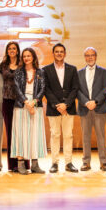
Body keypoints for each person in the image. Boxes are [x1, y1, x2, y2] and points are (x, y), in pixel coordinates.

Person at [42, 43, 79, 173]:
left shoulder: (72, 69)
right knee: (55, 135)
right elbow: (46, 89)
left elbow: (75, 88)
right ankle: (54, 163)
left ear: (65, 53)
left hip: (68, 108)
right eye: (56, 51)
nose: (59, 53)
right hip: (54, 108)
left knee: (68, 135)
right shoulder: (46, 70)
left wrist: (66, 104)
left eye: (61, 51)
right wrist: (57, 104)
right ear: (53, 54)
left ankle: (69, 163)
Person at [11, 48, 48, 174]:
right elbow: (16, 88)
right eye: (24, 56)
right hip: (22, 105)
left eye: (29, 55)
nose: (26, 58)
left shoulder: (40, 72)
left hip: (35, 105)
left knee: (35, 134)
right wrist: (26, 102)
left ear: (33, 57)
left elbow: (43, 89)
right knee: (21, 134)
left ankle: (35, 165)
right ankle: (21, 164)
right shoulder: (18, 72)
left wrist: (35, 101)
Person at [0, 41, 28, 173]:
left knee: (22, 132)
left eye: (14, 48)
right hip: (7, 101)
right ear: (7, 51)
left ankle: (24, 164)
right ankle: (12, 164)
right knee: (10, 132)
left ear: (17, 50)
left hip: (21, 101)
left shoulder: (23, 64)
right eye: (9, 48)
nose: (12, 50)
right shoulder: (3, 65)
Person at [77, 47, 106, 171]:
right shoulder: (79, 73)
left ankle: (103, 162)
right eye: (87, 55)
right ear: (85, 57)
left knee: (101, 137)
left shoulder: (103, 71)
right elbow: (77, 91)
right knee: (86, 136)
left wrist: (95, 102)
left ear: (95, 56)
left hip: (99, 108)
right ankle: (86, 162)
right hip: (84, 108)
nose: (90, 57)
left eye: (92, 55)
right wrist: (86, 102)